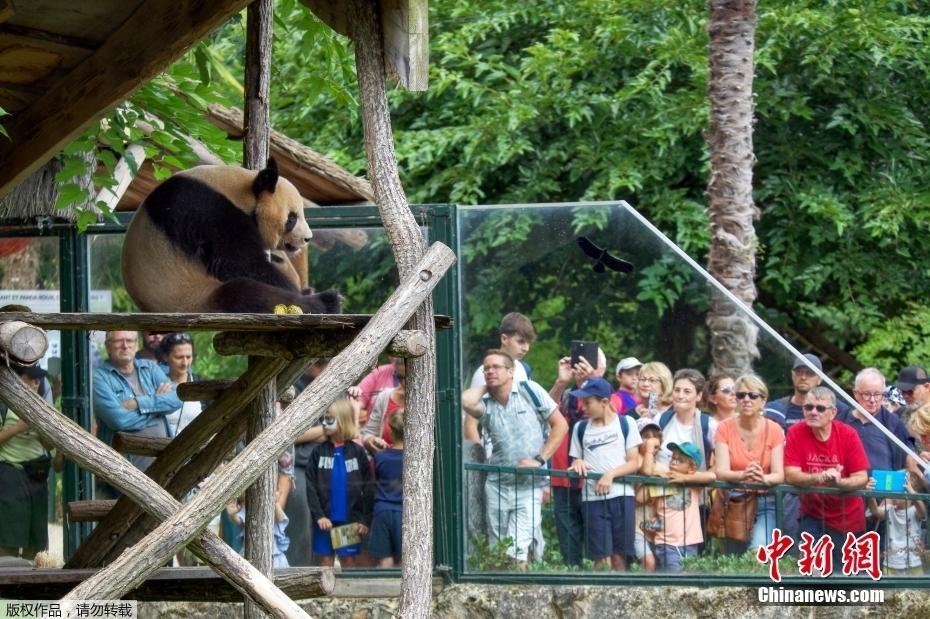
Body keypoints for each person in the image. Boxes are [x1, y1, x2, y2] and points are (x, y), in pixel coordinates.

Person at [461, 349, 567, 567]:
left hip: (528, 485)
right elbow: (465, 400)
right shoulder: (487, 404)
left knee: (517, 551)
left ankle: (520, 592)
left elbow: (561, 425)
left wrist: (539, 459)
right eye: (486, 368)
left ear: (511, 372)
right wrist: (487, 385)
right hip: (498, 484)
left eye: (496, 367)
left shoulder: (530, 390)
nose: (490, 371)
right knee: (498, 549)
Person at [784, 386, 869, 565]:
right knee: (813, 572)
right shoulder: (796, 432)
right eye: (808, 407)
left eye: (820, 408)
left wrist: (839, 483)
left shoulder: (848, 434)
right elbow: (790, 474)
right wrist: (819, 477)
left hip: (848, 518)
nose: (813, 412)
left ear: (833, 412)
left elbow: (861, 477)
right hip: (812, 514)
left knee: (844, 579)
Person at [92, 330, 181, 498]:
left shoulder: (150, 368)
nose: (125, 346)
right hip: (122, 475)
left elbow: (177, 399)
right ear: (108, 346)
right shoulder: (98, 378)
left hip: (161, 467)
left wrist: (138, 403)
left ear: (137, 344)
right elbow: (119, 420)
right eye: (119, 341)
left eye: (130, 340)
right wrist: (157, 409)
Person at [567, 377, 642, 570]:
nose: (583, 407)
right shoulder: (580, 428)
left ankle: (620, 594)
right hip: (592, 498)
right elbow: (575, 459)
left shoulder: (626, 424)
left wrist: (610, 474)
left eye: (588, 402)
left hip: (621, 496)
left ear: (605, 402)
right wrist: (578, 462)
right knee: (599, 557)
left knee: (619, 555)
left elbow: (634, 461)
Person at [712, 375, 785, 553]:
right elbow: (721, 471)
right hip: (734, 500)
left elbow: (779, 474)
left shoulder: (774, 429)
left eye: (752, 395)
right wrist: (742, 475)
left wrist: (763, 478)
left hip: (765, 500)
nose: (746, 399)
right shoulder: (724, 427)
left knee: (758, 553)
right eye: (741, 395)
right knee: (732, 558)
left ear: (763, 400)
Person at [547, 348, 605, 567]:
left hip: (594, 481)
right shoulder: (567, 395)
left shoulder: (608, 397)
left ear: (602, 369)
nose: (582, 368)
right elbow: (545, 411)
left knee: (598, 550)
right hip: (564, 478)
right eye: (577, 363)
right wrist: (561, 382)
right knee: (569, 552)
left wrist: (592, 382)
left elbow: (611, 420)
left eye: (589, 363)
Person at [305, 399, 372, 568]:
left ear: (342, 421)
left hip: (349, 519)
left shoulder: (357, 452)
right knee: (325, 561)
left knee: (348, 561)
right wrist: (319, 515)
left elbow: (368, 486)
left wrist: (364, 519)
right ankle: (326, 595)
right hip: (324, 520)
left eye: (329, 419)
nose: (324, 423)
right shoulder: (318, 452)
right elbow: (310, 486)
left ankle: (347, 594)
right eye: (323, 419)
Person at [0, 366, 53, 560]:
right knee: (9, 538)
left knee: (37, 540)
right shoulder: (4, 404)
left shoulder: (42, 406)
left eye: (38, 380)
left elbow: (49, 445)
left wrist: (42, 430)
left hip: (37, 474)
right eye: (29, 379)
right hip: (10, 472)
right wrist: (18, 428)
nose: (35, 384)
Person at [464, 312, 538, 445]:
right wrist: (478, 462)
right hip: (492, 454)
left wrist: (560, 383)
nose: (526, 348)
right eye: (521, 341)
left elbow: (539, 409)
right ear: (504, 339)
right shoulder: (486, 372)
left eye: (528, 343)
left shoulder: (523, 368)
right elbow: (470, 423)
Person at [642, 441, 711, 572]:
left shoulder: (692, 480)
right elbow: (645, 499)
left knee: (690, 582)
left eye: (680, 460)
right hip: (667, 543)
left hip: (690, 542)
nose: (673, 462)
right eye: (673, 458)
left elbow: (712, 476)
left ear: (692, 468)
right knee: (677, 581)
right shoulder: (664, 478)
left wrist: (684, 479)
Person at [838, 367, 914, 474]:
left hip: (883, 487)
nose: (872, 400)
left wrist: (917, 457)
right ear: (856, 394)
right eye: (867, 394)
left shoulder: (894, 423)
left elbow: (908, 455)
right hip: (847, 486)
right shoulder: (841, 421)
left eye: (877, 394)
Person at [765, 353, 848, 430]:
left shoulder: (837, 409)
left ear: (819, 379)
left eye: (810, 373)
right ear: (792, 376)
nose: (803, 377)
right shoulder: (776, 409)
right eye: (799, 372)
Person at [656, 369, 717, 472]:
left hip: (691, 487)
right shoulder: (661, 419)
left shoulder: (709, 425)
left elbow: (721, 465)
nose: (680, 396)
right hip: (658, 485)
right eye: (677, 390)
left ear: (698, 396)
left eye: (687, 391)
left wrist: (700, 484)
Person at [867, 472, 926, 575]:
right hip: (891, 563)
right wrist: (870, 494)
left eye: (899, 491)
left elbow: (922, 511)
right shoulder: (890, 509)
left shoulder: (914, 511)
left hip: (913, 563)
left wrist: (912, 493)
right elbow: (875, 511)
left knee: (916, 591)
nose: (894, 496)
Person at [369, 409, 405, 567]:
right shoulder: (415, 459)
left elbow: (371, 483)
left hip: (382, 510)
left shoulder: (379, 457)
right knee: (407, 558)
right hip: (405, 512)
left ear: (391, 430)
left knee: (385, 558)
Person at [159, 332, 202, 437]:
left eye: (188, 357)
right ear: (165, 357)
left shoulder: (203, 385)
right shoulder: (157, 385)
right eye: (179, 357)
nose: (185, 363)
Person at [633, 417, 662, 571]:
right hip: (636, 527)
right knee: (649, 563)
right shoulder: (634, 461)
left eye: (654, 437)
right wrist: (649, 449)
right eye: (646, 437)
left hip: (656, 527)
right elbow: (646, 471)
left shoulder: (661, 466)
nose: (651, 441)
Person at [361, 358, 405, 454]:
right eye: (400, 377)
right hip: (388, 459)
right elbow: (368, 433)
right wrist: (372, 441)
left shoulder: (428, 398)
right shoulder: (385, 396)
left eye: (408, 377)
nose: (403, 382)